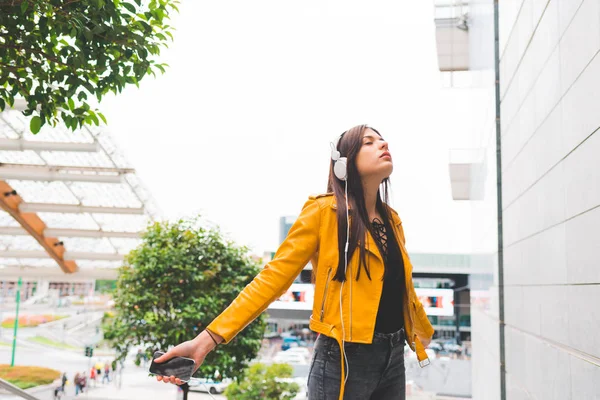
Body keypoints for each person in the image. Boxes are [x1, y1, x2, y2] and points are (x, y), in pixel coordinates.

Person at [155, 125, 434, 399]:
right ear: (344, 163)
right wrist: (207, 339)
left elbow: (403, 288)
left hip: (394, 356)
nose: (383, 145)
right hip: (343, 359)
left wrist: (423, 331)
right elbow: (272, 279)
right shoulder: (323, 213)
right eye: (369, 142)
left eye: (383, 140)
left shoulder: (392, 220)